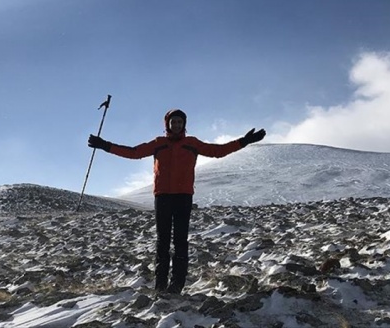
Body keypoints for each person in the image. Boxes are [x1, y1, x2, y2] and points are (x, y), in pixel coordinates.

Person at [88, 109, 266, 294]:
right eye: (174, 122)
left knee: (180, 240)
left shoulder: (192, 143)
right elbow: (134, 152)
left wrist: (244, 141)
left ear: (184, 124)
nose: (177, 125)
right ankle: (160, 285)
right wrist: (105, 145)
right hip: (163, 196)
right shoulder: (159, 143)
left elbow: (217, 151)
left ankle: (177, 285)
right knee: (162, 241)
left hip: (183, 197)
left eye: (180, 122)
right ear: (168, 124)